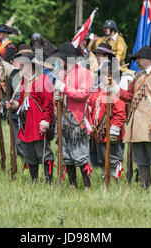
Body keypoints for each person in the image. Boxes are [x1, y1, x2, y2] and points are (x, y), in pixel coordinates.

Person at [115, 46, 151, 188]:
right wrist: (114, 88)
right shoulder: (139, 76)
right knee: (141, 161)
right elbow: (129, 96)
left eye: (139, 58)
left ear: (147, 59)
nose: (137, 61)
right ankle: (144, 188)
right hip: (137, 125)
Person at [6, 50, 55, 183]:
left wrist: (45, 121)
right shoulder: (24, 81)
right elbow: (23, 102)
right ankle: (34, 181)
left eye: (23, 64)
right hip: (26, 123)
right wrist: (14, 104)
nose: (20, 67)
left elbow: (49, 104)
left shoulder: (43, 80)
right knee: (30, 155)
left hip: (38, 123)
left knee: (44, 154)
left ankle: (48, 182)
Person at [53, 42, 94, 190]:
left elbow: (83, 94)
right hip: (64, 116)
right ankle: (72, 185)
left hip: (77, 118)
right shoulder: (61, 74)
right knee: (67, 154)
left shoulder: (84, 73)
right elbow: (58, 97)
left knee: (80, 154)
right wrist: (57, 96)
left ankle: (87, 186)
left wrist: (64, 88)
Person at [88, 43, 126, 181]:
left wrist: (114, 129)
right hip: (100, 131)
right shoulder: (97, 91)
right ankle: (106, 178)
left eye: (107, 75)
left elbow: (120, 112)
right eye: (102, 74)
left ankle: (115, 182)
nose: (104, 77)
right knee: (102, 159)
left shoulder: (114, 90)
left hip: (111, 130)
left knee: (114, 159)